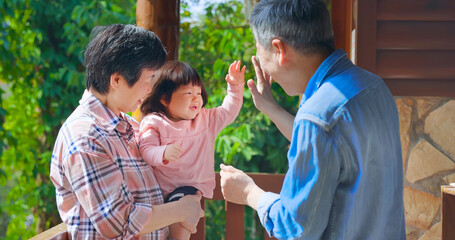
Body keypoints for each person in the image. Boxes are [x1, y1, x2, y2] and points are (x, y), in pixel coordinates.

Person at [219, 0, 406, 239]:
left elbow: (296, 228)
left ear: (279, 50)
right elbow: (333, 147)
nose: (261, 64)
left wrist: (249, 193)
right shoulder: (373, 87)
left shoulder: (317, 115)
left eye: (258, 50)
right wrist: (272, 109)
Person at [50, 24, 204, 240]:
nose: (151, 89)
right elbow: (118, 221)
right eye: (149, 79)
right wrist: (182, 210)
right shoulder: (86, 137)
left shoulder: (128, 125)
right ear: (117, 80)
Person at [138, 60, 245, 240]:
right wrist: (162, 153)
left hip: (190, 190)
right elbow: (146, 149)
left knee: (183, 220)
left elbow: (229, 111)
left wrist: (234, 86)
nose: (196, 98)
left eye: (198, 92)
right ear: (164, 98)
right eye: (188, 93)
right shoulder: (155, 121)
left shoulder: (206, 119)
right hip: (159, 190)